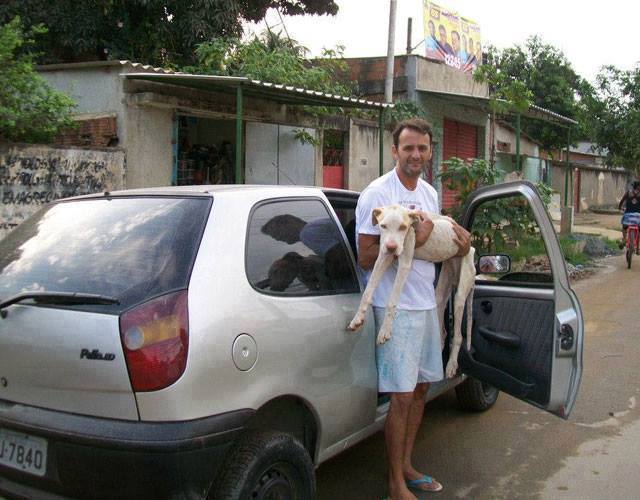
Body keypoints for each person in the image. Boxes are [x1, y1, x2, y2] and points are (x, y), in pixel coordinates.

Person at [355, 118, 470, 499]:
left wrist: (460, 246)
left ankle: (405, 465)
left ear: (430, 151)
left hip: (425, 302)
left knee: (421, 389)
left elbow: (433, 246)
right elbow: (365, 256)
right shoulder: (377, 194)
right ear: (395, 151)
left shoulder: (429, 195)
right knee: (401, 396)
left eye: (422, 148)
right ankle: (395, 484)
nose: (415, 155)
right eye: (408, 148)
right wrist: (412, 239)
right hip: (395, 307)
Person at [618, 180, 640, 250]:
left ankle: (624, 239)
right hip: (638, 217)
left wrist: (620, 207)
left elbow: (622, 201)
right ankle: (638, 248)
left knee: (624, 227)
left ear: (633, 186)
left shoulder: (628, 192)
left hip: (628, 216)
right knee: (639, 230)